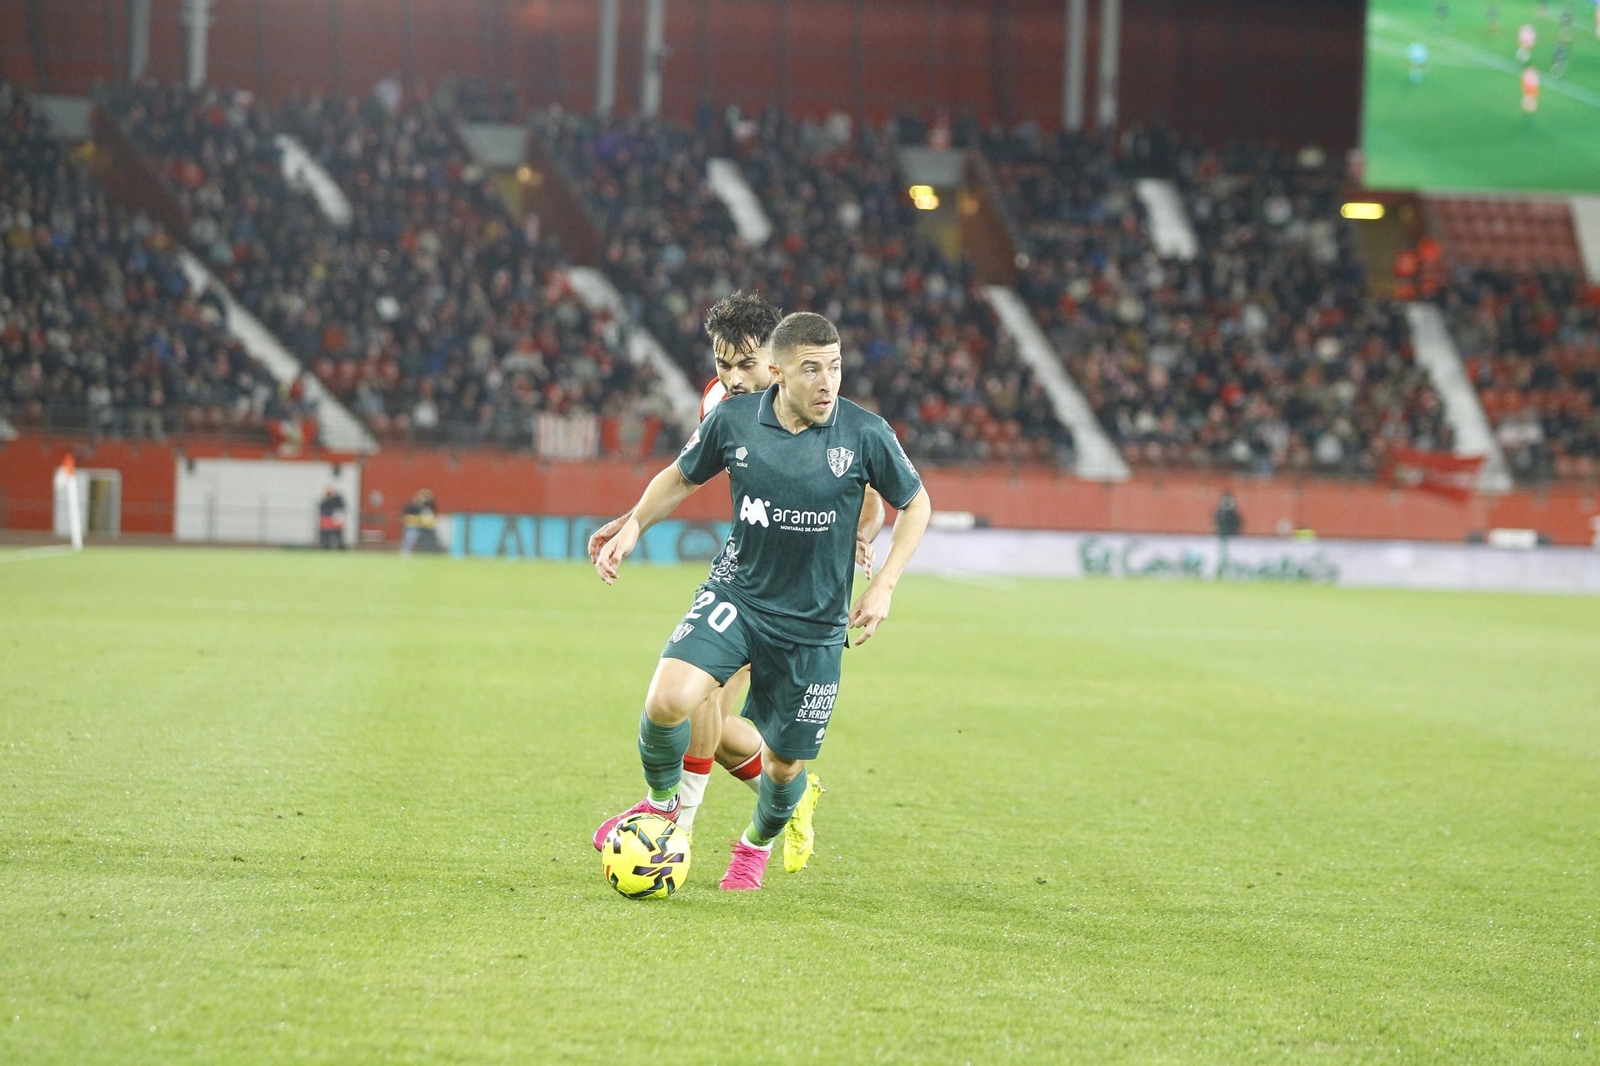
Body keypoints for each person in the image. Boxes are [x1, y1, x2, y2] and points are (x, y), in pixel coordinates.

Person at [592, 312, 931, 891]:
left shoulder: (859, 430)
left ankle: (763, 830)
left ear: (771, 365)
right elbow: (682, 476)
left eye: (743, 365)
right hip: (741, 591)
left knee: (772, 757)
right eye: (723, 366)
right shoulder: (727, 410)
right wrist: (632, 525)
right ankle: (667, 818)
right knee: (682, 701)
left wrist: (872, 562)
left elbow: (889, 501)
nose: (732, 378)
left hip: (813, 616)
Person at [400, 490, 440, 554]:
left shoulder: (429, 506)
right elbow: (406, 517)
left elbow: (432, 516)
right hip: (413, 526)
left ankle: (430, 551)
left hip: (426, 528)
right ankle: (405, 552)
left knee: (431, 536)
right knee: (411, 535)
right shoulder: (411, 506)